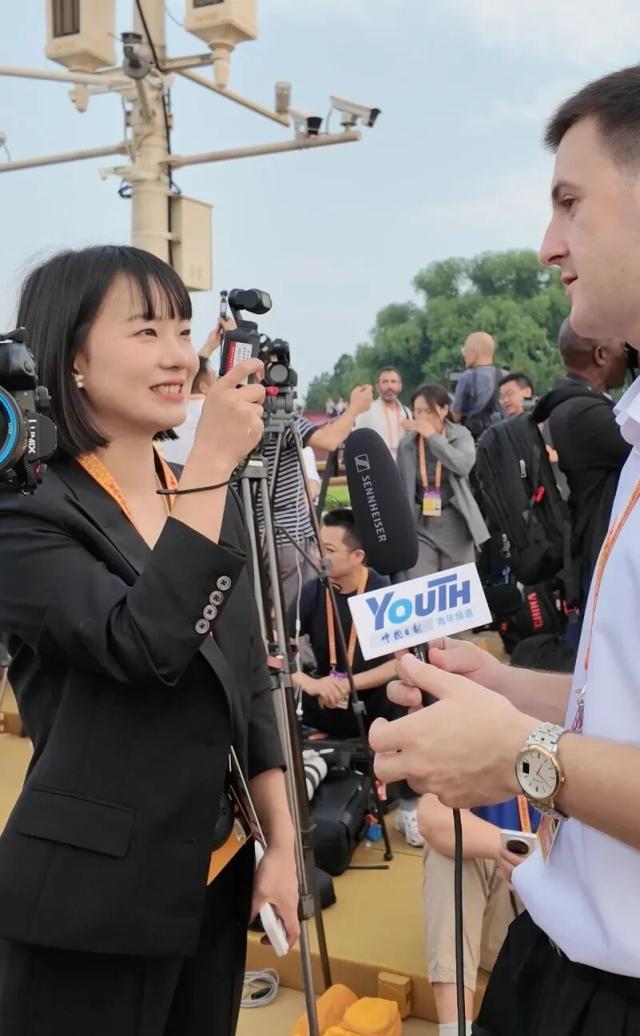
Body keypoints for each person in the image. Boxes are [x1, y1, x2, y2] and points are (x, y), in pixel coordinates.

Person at [370, 64, 640, 1034]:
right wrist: (512, 692)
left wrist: (523, 756)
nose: (546, 245)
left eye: (571, 202)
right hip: (560, 963)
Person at [0, 245, 299, 1036]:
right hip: (88, 906)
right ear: (73, 359)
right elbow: (144, 643)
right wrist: (211, 463)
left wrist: (281, 841)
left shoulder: (194, 492)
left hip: (212, 875)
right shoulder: (26, 511)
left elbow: (247, 674)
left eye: (181, 329)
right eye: (145, 331)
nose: (177, 356)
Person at [419, 793, 539, 1036]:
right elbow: (432, 816)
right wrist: (521, 852)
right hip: (508, 919)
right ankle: (455, 1030)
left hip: (569, 937)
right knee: (452, 844)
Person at [534, 317, 630, 608]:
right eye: (623, 346)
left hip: (595, 548)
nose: (628, 353)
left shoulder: (574, 403)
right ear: (600, 355)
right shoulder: (583, 412)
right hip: (600, 552)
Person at [258, 382, 373, 609]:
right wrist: (354, 409)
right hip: (288, 537)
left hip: (254, 533)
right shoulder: (279, 418)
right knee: (295, 612)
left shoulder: (236, 419)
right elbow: (329, 440)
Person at [288, 508, 397, 739]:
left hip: (375, 701)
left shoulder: (382, 591)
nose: (318, 555)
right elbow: (272, 647)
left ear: (357, 556)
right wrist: (307, 682)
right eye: (317, 546)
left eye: (329, 550)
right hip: (326, 696)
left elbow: (399, 663)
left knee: (403, 686)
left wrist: (348, 684)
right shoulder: (313, 591)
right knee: (275, 687)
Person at [396, 383, 489, 578]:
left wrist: (432, 436)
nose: (422, 417)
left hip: (455, 520)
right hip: (421, 521)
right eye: (417, 411)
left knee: (458, 583)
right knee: (420, 581)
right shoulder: (407, 444)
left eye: (428, 411)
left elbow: (462, 465)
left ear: (444, 409)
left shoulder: (460, 435)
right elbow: (401, 484)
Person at [163, 355, 216, 465]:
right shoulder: (211, 414)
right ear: (203, 387)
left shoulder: (170, 411)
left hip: (171, 472)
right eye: (215, 378)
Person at [450, 333, 503, 438]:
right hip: (501, 434)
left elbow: (455, 416)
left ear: (474, 352)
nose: (464, 355)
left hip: (476, 437)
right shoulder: (505, 375)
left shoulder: (468, 377)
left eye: (465, 350)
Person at [355, 366, 411, 457]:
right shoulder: (367, 411)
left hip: (402, 464)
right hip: (377, 464)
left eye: (393, 381)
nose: (389, 386)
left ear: (400, 386)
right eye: (385, 382)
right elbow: (358, 443)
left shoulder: (407, 412)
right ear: (377, 387)